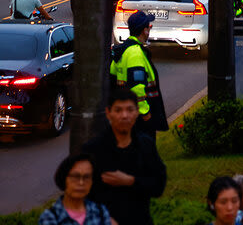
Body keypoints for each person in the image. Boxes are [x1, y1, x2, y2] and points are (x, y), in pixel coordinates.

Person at [83, 89, 167, 225]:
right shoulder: (93, 149)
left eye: (129, 110)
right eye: (118, 110)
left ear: (137, 112)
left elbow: (158, 185)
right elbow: (81, 193)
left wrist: (131, 181)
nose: (124, 115)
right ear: (108, 113)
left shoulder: (146, 145)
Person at [109, 11, 168, 140]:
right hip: (139, 119)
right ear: (144, 31)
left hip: (126, 116)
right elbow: (137, 88)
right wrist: (145, 114)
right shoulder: (135, 53)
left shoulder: (123, 50)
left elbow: (112, 79)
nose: (149, 30)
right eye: (149, 27)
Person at [39, 155, 112, 225]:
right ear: (64, 178)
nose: (81, 182)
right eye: (75, 176)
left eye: (86, 177)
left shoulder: (100, 211)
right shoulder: (50, 217)